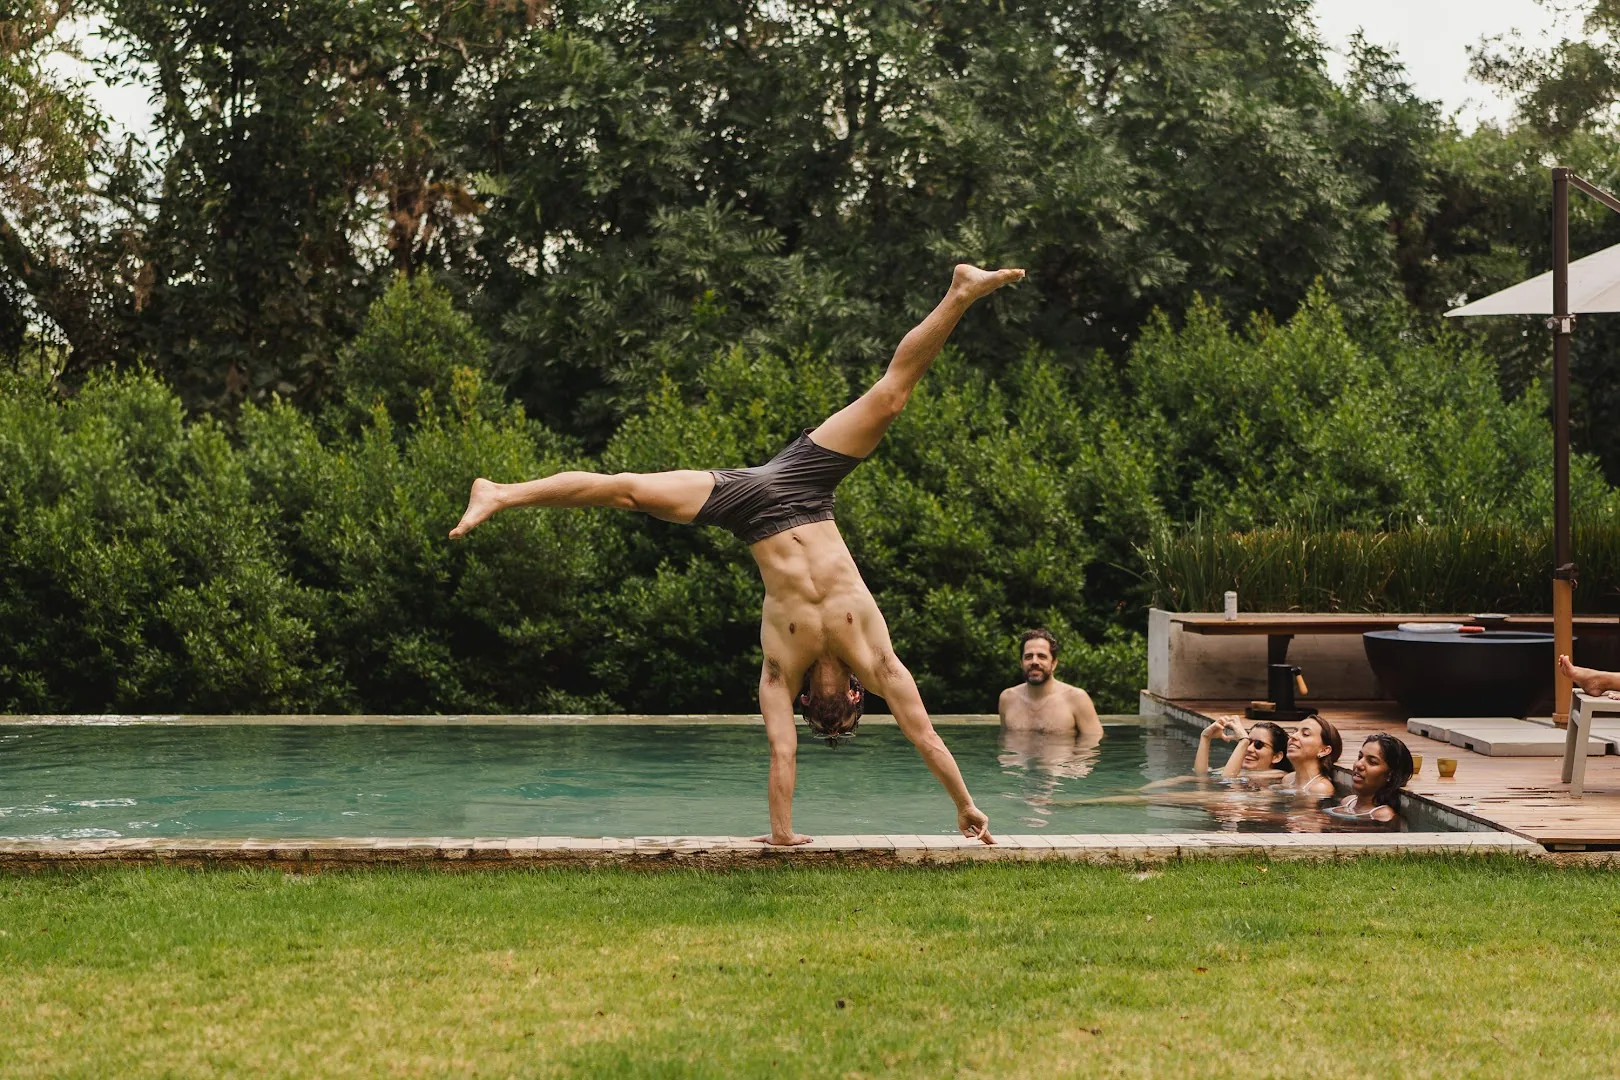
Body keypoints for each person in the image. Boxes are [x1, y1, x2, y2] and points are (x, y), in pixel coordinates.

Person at [449, 264, 1026, 846]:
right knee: (891, 396)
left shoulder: (780, 671)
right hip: (806, 484)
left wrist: (782, 836)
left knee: (627, 490)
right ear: (856, 696)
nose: (832, 715)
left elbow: (783, 748)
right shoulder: (878, 663)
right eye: (845, 717)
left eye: (827, 720)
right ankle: (960, 292)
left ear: (810, 704)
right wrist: (966, 804)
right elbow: (924, 736)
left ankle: (500, 493)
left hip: (747, 509)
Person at [997, 629, 1104, 738]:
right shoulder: (1007, 699)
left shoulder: (1077, 699)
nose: (1034, 661)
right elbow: (1005, 742)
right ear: (1021, 663)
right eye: (1028, 656)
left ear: (1054, 663)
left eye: (1041, 656)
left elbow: (1093, 746)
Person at [1330, 732, 1414, 823]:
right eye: (1360, 757)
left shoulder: (1382, 815)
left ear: (1390, 774)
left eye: (1372, 762)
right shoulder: (1347, 802)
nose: (1359, 764)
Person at [1275, 716, 1342, 798]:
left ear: (1324, 750)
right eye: (1294, 732)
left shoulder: (1320, 788)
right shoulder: (1287, 779)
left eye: (1305, 734)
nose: (1293, 736)